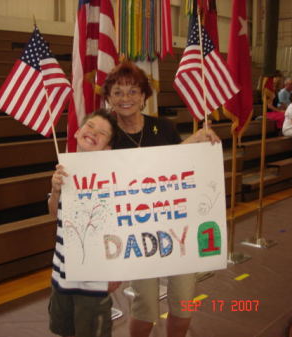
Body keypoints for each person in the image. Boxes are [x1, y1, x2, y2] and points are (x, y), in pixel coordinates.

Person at [102, 61, 220, 337]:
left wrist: (199, 145)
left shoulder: (164, 128)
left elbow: (177, 172)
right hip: (136, 232)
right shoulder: (106, 136)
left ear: (144, 96)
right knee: (145, 306)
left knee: (184, 301)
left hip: (176, 227)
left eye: (132, 91)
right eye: (118, 92)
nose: (125, 98)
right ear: (109, 98)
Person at [48, 109, 121, 337]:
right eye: (90, 126)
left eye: (102, 133)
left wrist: (117, 270)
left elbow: (122, 227)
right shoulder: (63, 170)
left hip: (94, 281)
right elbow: (53, 214)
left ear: (107, 148)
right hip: (61, 275)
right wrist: (55, 189)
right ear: (78, 131)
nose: (93, 133)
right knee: (64, 331)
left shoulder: (113, 179)